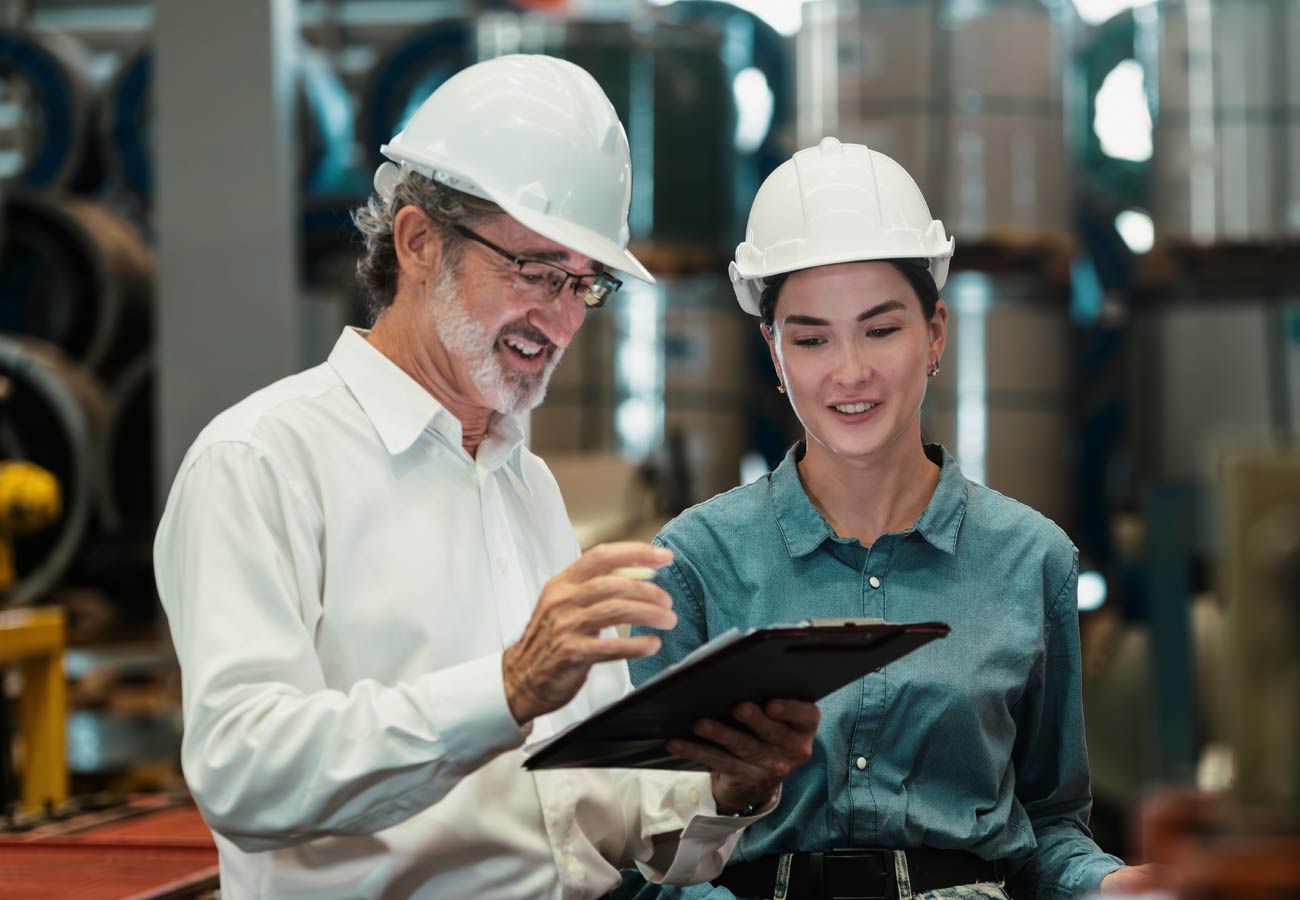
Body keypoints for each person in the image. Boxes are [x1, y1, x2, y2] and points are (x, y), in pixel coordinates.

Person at [153, 55, 819, 900]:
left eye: (586, 284)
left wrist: (726, 789)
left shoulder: (525, 484)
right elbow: (244, 771)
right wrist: (505, 689)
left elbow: (583, 815)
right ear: (418, 242)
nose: (562, 318)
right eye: (536, 272)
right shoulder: (261, 463)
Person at [617, 138, 1160, 899]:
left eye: (881, 329)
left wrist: (1111, 887)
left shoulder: (1031, 559)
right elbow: (639, 851)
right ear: (772, 352)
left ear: (934, 332)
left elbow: (1049, 825)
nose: (850, 372)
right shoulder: (695, 564)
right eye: (810, 338)